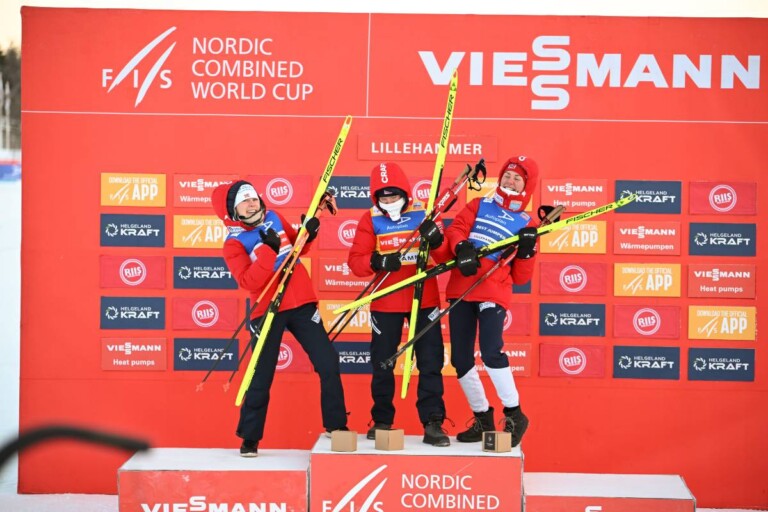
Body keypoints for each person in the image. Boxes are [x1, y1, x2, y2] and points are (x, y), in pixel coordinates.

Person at [212, 180, 348, 457]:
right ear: (232, 209)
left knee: (328, 361)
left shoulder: (274, 217)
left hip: (300, 301)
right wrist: (267, 251)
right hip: (268, 308)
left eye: (254, 198)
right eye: (245, 200)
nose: (253, 203)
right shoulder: (234, 243)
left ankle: (337, 426)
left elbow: (298, 248)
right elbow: (249, 281)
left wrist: (308, 233)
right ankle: (250, 438)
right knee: (261, 374)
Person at [347, 162, 451, 446]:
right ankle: (382, 420)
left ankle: (433, 423)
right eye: (383, 198)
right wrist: (377, 261)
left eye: (394, 196)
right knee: (383, 363)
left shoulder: (423, 213)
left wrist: (437, 239)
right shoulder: (370, 219)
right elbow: (355, 261)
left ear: (405, 192)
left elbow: (444, 256)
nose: (389, 202)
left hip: (424, 297)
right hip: (386, 301)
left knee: (430, 360)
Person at [444, 155, 539, 447]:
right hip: (461, 286)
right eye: (507, 176)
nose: (510, 181)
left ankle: (514, 414)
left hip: (492, 291)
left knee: (491, 350)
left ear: (527, 185)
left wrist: (525, 251)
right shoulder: (480, 204)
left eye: (517, 179)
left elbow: (522, 276)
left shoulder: (528, 223)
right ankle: (483, 417)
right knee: (460, 358)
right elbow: (456, 228)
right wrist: (461, 247)